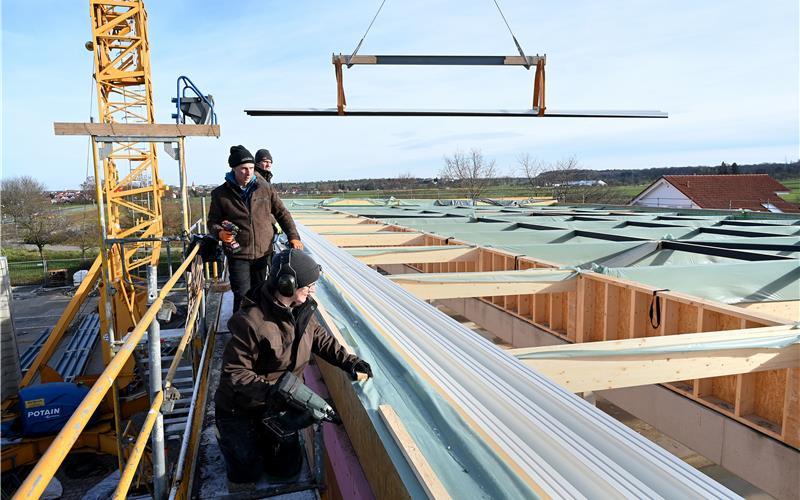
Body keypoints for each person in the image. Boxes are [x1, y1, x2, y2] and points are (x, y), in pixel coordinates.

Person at [214, 248, 373, 484]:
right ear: (287, 284)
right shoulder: (249, 321)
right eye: (308, 285)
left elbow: (318, 337)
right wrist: (276, 392)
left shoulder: (302, 308)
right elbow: (235, 373)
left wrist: (349, 361)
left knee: (286, 471)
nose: (313, 290)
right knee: (246, 474)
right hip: (241, 408)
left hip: (277, 403)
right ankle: (233, 442)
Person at [208, 145, 304, 312]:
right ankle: (242, 332)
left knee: (261, 292)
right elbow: (212, 222)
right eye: (243, 168)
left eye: (251, 168)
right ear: (233, 169)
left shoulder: (264, 187)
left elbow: (282, 213)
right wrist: (220, 233)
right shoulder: (220, 194)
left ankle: (259, 328)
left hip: (262, 252)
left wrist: (293, 236)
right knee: (242, 295)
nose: (248, 172)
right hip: (238, 254)